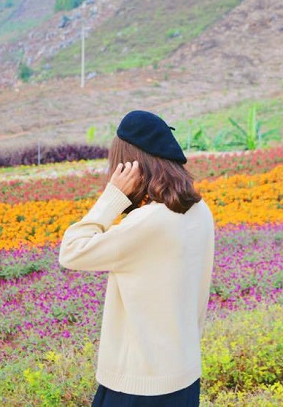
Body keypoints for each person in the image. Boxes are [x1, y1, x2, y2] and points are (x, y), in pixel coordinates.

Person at [59, 110, 215, 407]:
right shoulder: (200, 211)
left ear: (129, 166)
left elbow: (71, 251)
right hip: (183, 373)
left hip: (140, 384)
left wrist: (112, 197)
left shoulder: (149, 223)